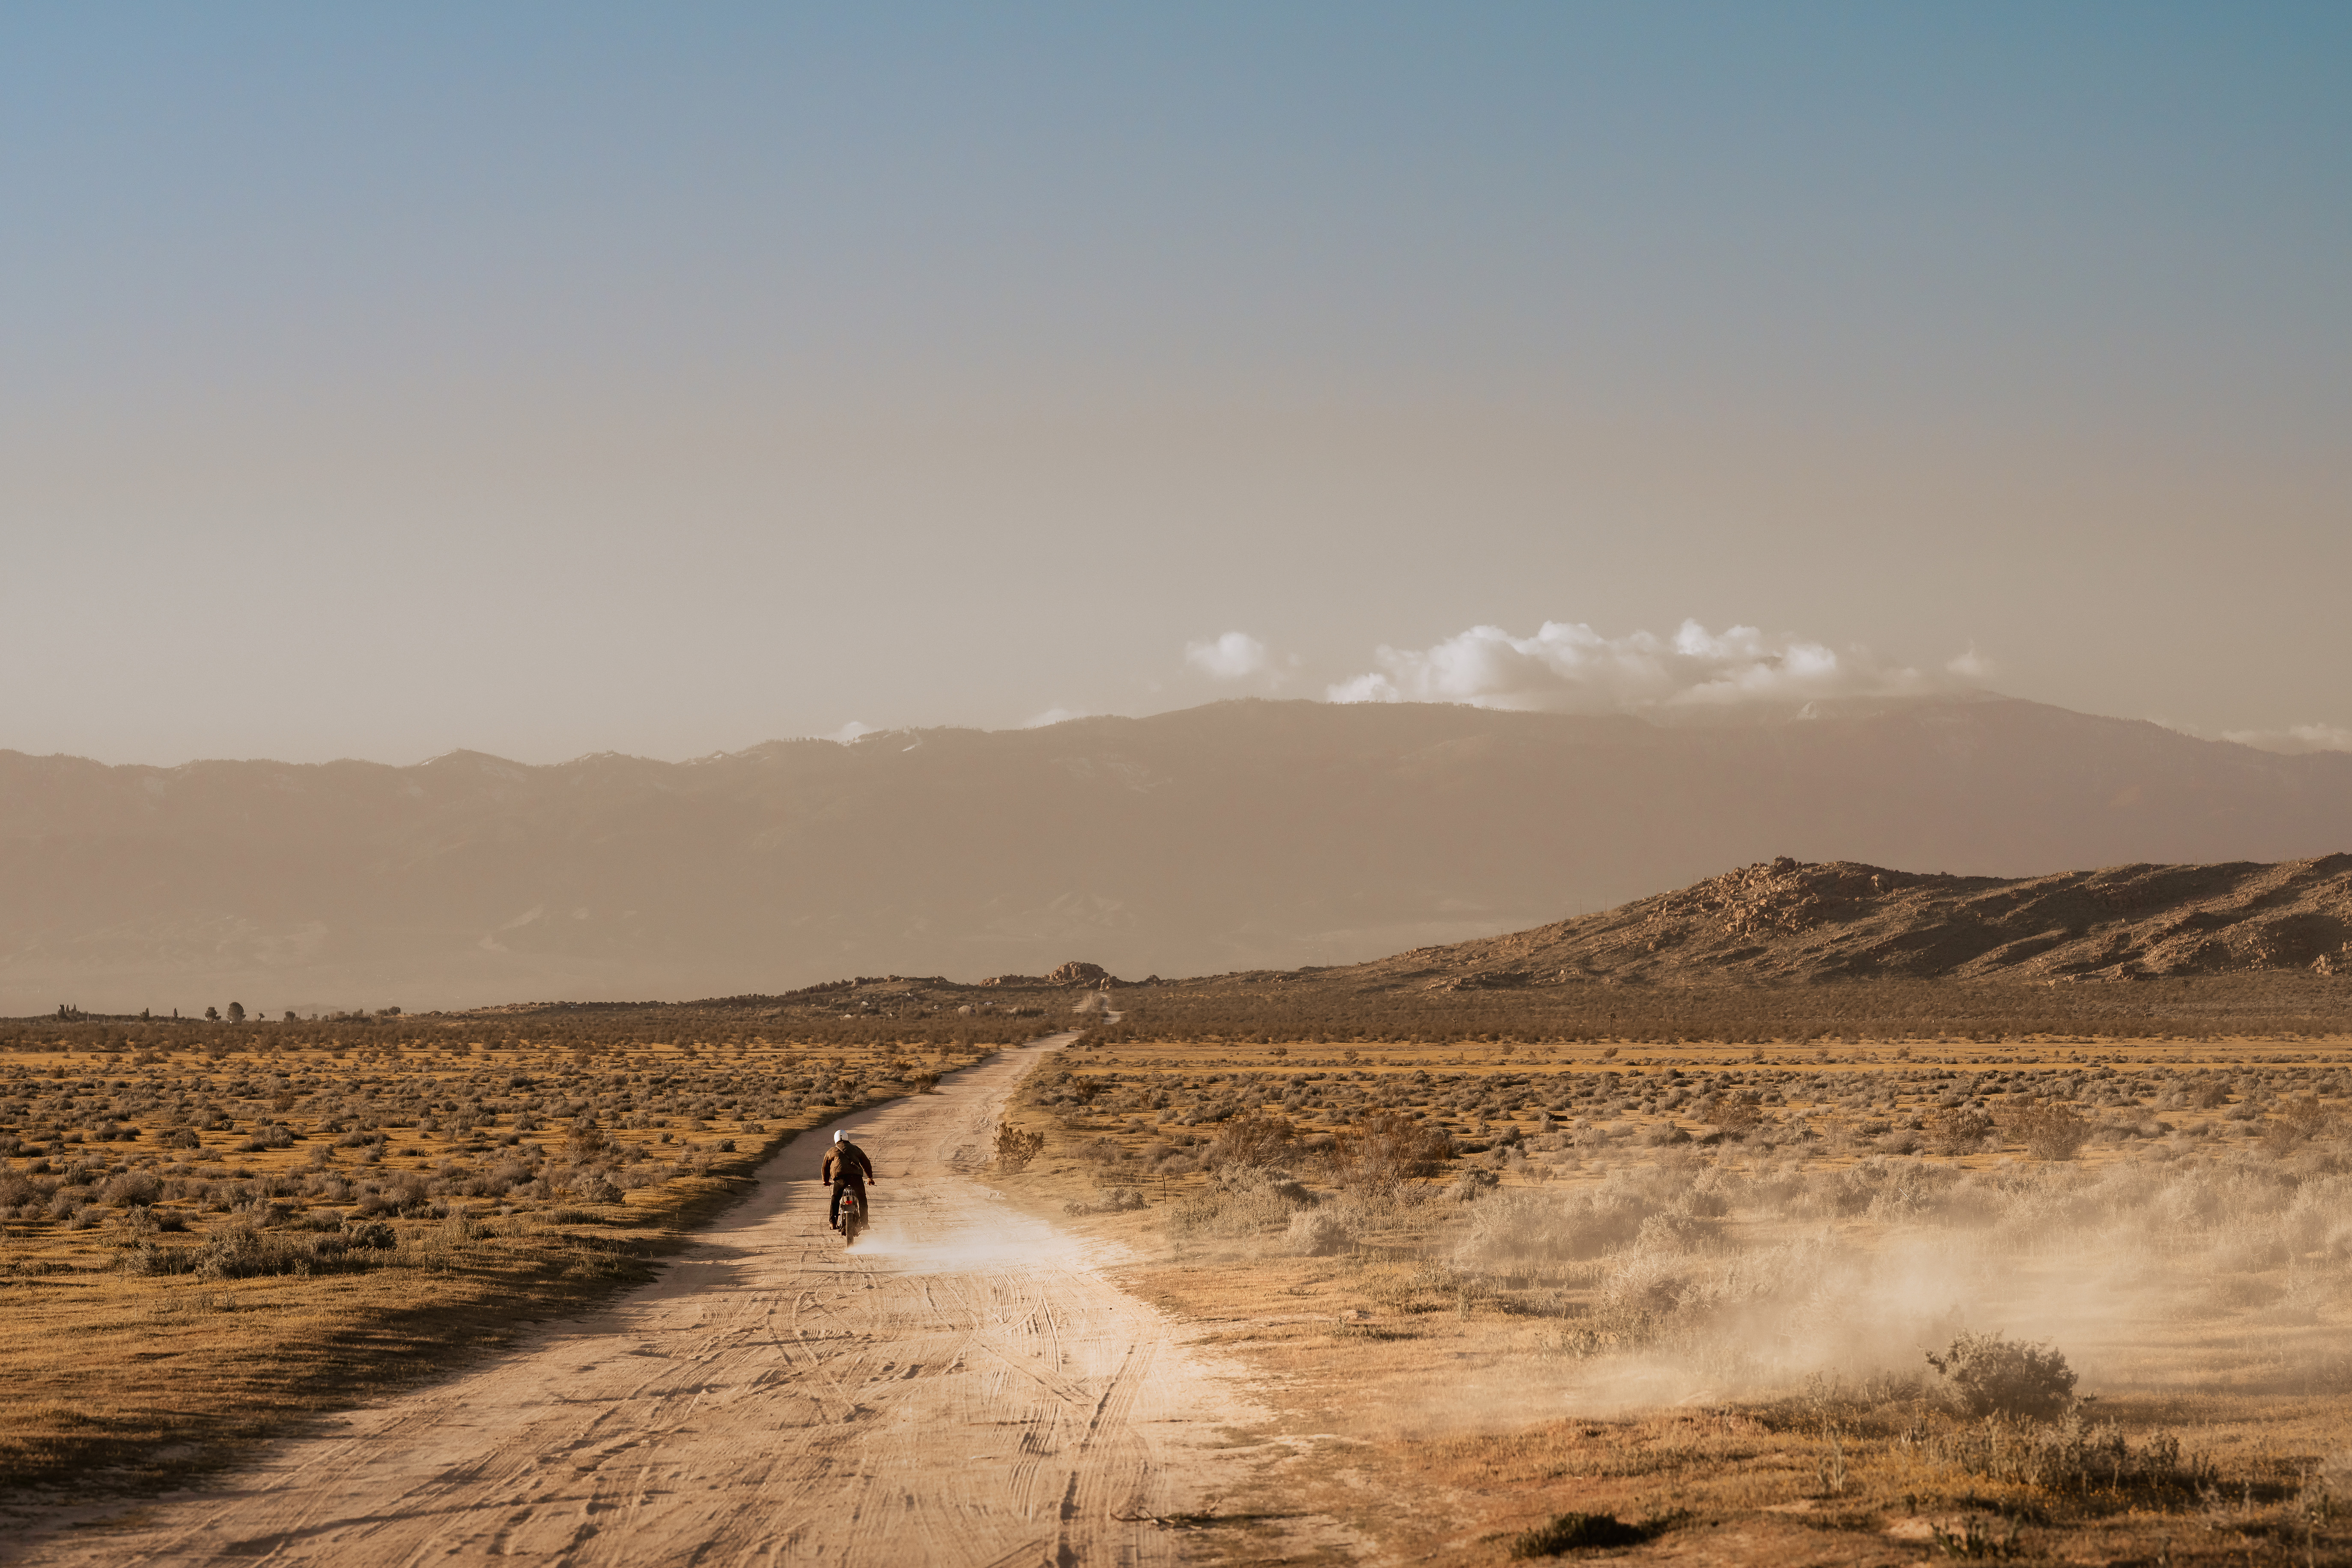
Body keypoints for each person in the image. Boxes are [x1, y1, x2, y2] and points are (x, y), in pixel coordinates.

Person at [821, 1128, 876, 1231]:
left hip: (840, 1178)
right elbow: (866, 1163)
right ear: (847, 1138)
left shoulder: (832, 1151)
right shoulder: (856, 1149)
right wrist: (870, 1178)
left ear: (836, 1139)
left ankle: (833, 1222)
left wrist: (826, 1181)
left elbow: (825, 1167)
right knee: (862, 1199)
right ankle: (865, 1223)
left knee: (836, 1198)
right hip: (856, 1178)